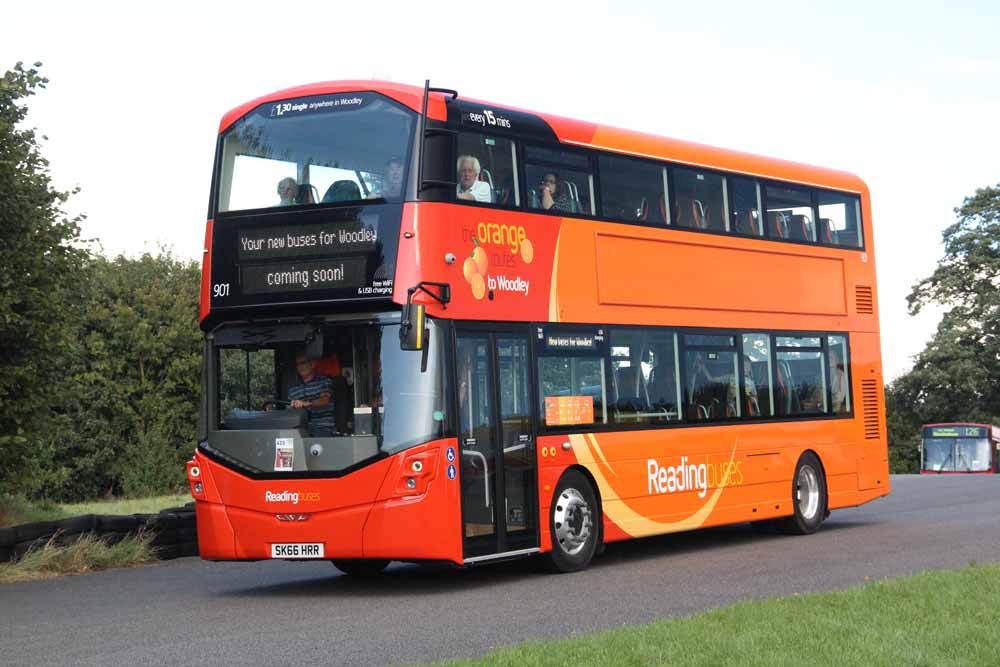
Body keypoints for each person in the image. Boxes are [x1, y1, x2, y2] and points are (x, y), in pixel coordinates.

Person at [287, 350, 338, 434]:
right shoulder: (293, 390)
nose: (299, 367)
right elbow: (289, 414)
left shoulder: (324, 382)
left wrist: (306, 403)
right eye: (297, 364)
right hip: (300, 432)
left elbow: (325, 400)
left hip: (324, 429)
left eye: (302, 363)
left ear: (312, 364)